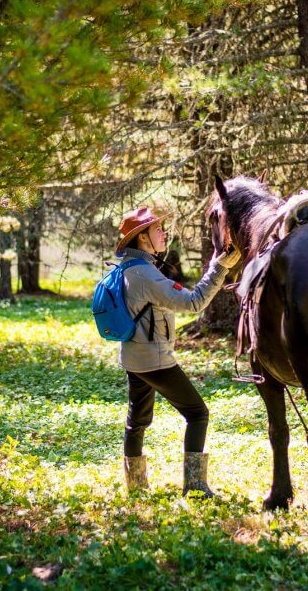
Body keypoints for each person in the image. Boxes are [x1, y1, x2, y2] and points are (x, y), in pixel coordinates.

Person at [114, 206, 240, 495]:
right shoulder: (146, 274)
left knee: (137, 421)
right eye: (157, 229)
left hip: (133, 357)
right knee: (198, 414)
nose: (164, 233)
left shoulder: (128, 267)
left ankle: (135, 487)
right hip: (154, 361)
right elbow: (194, 302)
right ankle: (194, 486)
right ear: (142, 239)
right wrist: (219, 267)